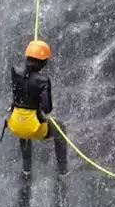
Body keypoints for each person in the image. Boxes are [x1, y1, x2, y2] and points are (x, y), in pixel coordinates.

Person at [5, 40, 68, 179]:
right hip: (32, 126)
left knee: (23, 125)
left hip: (14, 123)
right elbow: (47, 109)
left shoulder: (15, 71)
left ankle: (26, 170)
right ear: (44, 63)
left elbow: (20, 88)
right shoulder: (43, 81)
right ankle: (63, 171)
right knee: (61, 129)